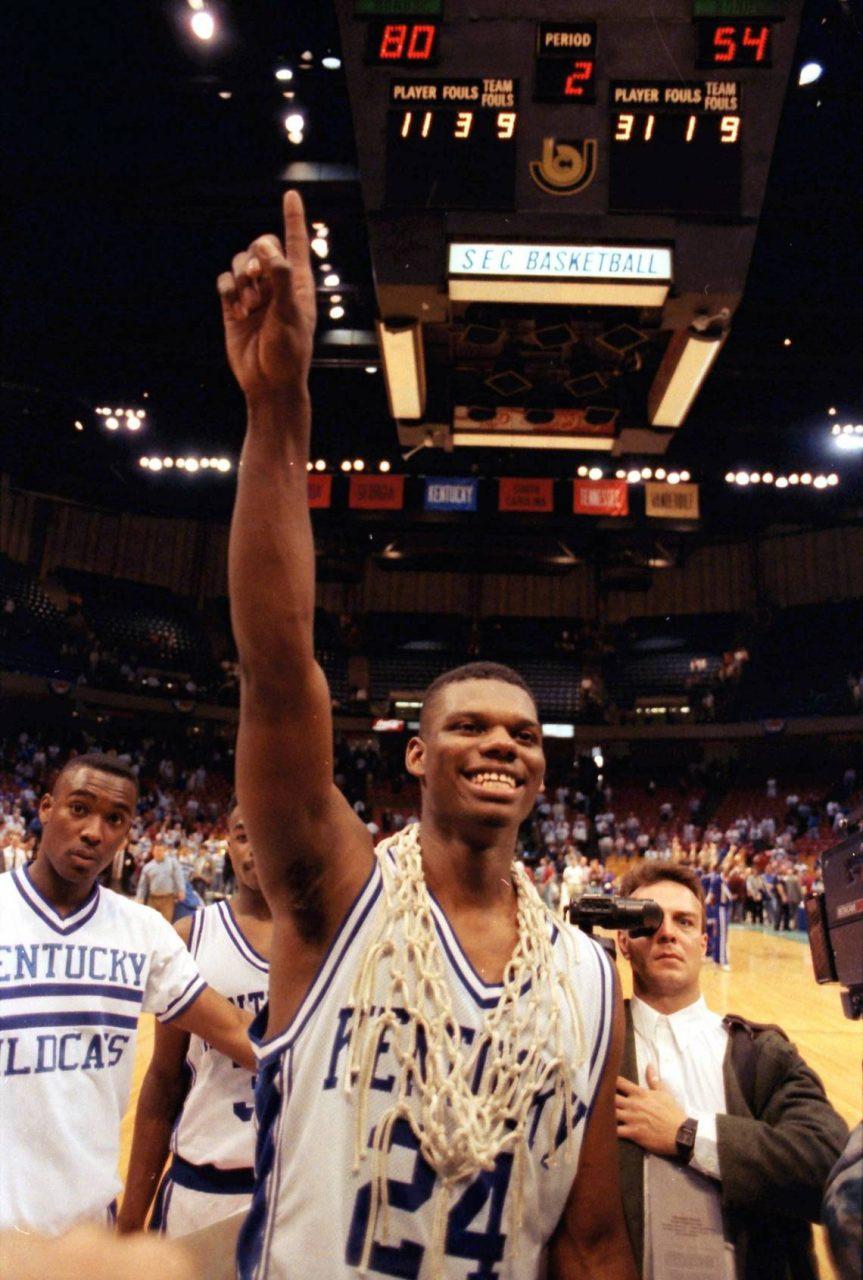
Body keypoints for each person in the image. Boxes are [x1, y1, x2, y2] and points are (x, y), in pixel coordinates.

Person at [220, 192, 637, 1279]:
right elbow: (275, 668)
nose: (503, 743)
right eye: (468, 726)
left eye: (523, 731)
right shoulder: (335, 891)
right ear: (414, 752)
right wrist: (278, 412)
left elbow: (590, 1238)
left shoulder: (592, 982)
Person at [0, 754, 256, 1237]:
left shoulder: (143, 931)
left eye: (114, 819)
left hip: (86, 1229)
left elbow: (238, 1032)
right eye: (79, 809)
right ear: (46, 808)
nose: (94, 832)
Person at [613, 861, 848, 1280]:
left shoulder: (761, 1052)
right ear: (623, 942)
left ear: (704, 942)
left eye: (684, 922)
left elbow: (829, 1165)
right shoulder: (595, 1048)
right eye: (649, 920)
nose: (667, 932)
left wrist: (687, 1133)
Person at [119, 801, 271, 1238]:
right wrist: (132, 1218)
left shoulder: (334, 939)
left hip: (299, 1188)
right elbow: (165, 1080)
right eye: (244, 835)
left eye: (270, 832)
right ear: (228, 841)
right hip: (204, 1186)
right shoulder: (190, 936)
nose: (256, 848)